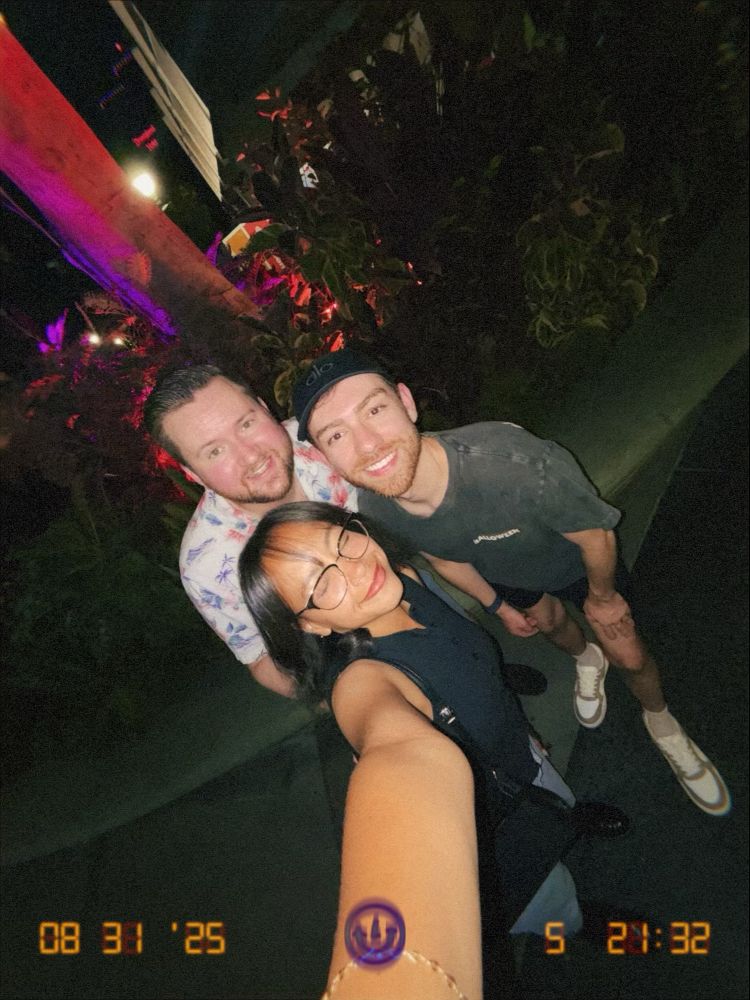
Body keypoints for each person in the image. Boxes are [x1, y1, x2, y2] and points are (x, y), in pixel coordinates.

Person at [290, 350, 731, 818]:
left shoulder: (512, 464)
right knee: (554, 628)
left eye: (375, 409)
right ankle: (586, 659)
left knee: (631, 653)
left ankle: (661, 722)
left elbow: (595, 534)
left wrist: (603, 597)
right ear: (324, 456)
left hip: (579, 568)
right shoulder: (375, 509)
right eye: (336, 435)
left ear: (407, 402)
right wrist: (495, 602)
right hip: (514, 579)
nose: (368, 444)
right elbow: (441, 552)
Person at [239, 501, 630, 996]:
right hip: (492, 824)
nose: (357, 569)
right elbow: (392, 752)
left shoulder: (405, 579)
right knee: (551, 897)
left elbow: (474, 669)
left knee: (560, 802)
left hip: (520, 760)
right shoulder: (362, 682)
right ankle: (578, 923)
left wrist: (514, 730)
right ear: (312, 625)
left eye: (341, 540)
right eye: (322, 584)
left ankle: (571, 816)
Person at [142, 363, 357, 697]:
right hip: (346, 659)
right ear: (193, 475)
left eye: (246, 423)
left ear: (265, 406)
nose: (250, 456)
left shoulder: (328, 436)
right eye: (215, 451)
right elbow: (260, 658)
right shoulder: (208, 566)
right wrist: (341, 700)